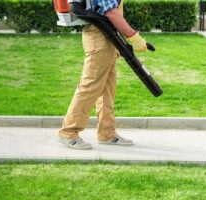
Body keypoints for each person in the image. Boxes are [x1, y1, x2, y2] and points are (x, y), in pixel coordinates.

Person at [58, 0, 148, 149]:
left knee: (107, 87)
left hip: (109, 36)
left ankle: (107, 133)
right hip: (99, 36)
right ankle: (68, 132)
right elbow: (110, 12)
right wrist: (134, 37)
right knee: (89, 86)